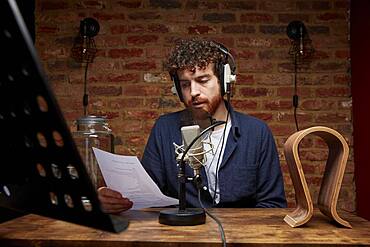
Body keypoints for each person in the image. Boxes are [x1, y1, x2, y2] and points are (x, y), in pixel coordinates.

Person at [98, 38, 287, 214]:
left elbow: (273, 205)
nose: (194, 92)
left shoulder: (257, 132)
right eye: (185, 84)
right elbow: (148, 196)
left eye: (203, 81)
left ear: (224, 80)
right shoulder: (164, 129)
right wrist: (116, 201)